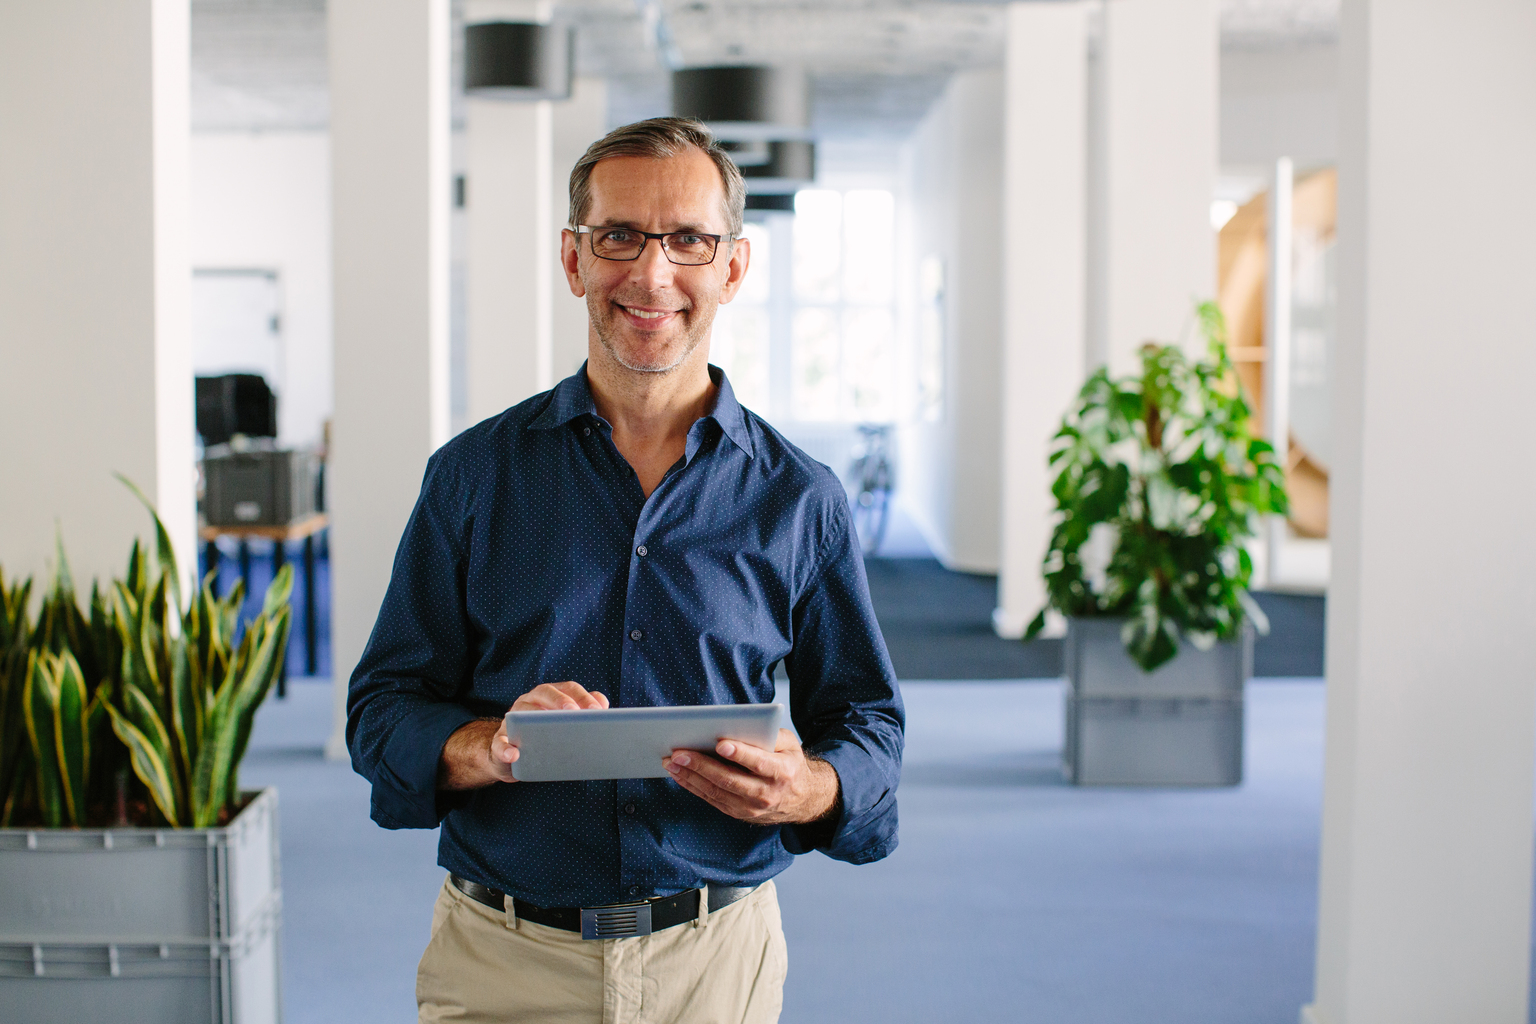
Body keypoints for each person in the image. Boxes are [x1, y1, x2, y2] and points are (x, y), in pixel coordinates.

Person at [347, 117, 905, 1024]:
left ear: (732, 266)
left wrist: (813, 789)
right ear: (574, 260)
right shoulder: (472, 476)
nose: (652, 275)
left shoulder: (801, 498)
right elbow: (382, 711)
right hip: (502, 963)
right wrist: (484, 746)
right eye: (619, 237)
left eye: (689, 239)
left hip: (715, 964)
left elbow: (868, 720)